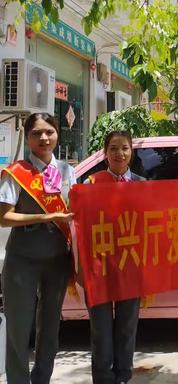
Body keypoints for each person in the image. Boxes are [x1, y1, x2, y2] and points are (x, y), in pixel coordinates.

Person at [0, 113, 76, 384]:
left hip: (56, 259)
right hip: (23, 259)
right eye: (36, 134)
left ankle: (42, 378)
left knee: (51, 328)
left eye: (49, 132)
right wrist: (46, 217)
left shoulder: (68, 171)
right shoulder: (16, 173)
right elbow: (4, 217)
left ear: (57, 134)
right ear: (28, 137)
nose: (44, 138)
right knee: (19, 328)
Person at [84, 130, 144, 384]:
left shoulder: (143, 185)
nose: (119, 153)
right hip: (99, 265)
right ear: (105, 153)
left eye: (124, 148)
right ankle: (102, 377)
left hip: (130, 264)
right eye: (113, 148)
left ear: (131, 152)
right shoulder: (91, 184)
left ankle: (123, 376)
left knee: (127, 325)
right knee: (101, 327)